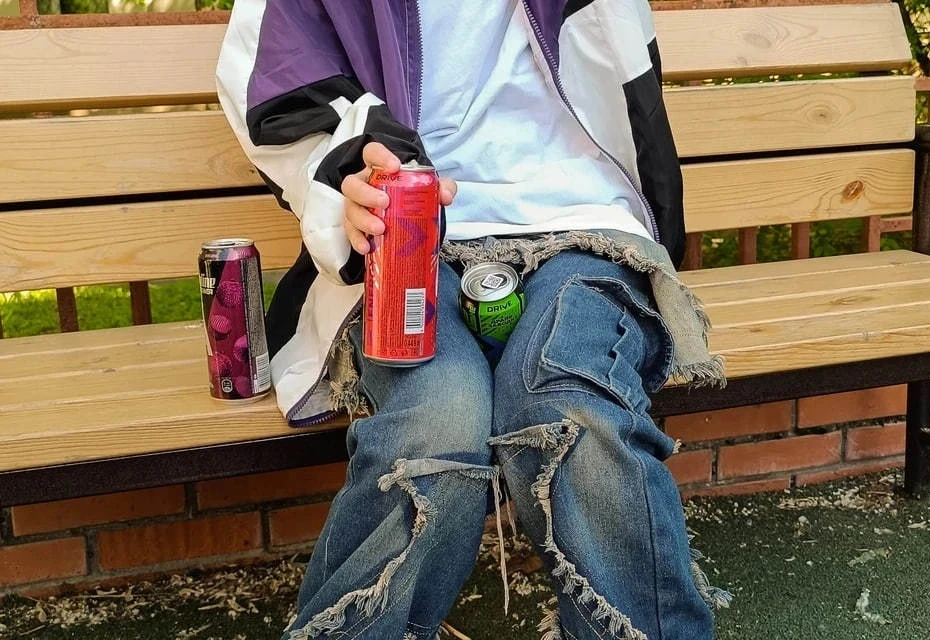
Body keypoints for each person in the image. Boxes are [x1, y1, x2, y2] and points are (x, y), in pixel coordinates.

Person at [217, 1, 729, 638]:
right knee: (437, 419)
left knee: (572, 404)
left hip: (584, 221)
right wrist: (346, 174)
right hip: (404, 234)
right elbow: (272, 83)